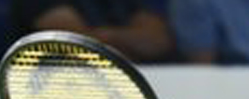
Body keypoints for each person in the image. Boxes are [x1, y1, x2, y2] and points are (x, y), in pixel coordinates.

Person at [10, 0, 175, 62]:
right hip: (60, 92)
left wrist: (106, 35)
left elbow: (159, 41)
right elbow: (78, 45)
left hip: (122, 92)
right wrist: (129, 39)